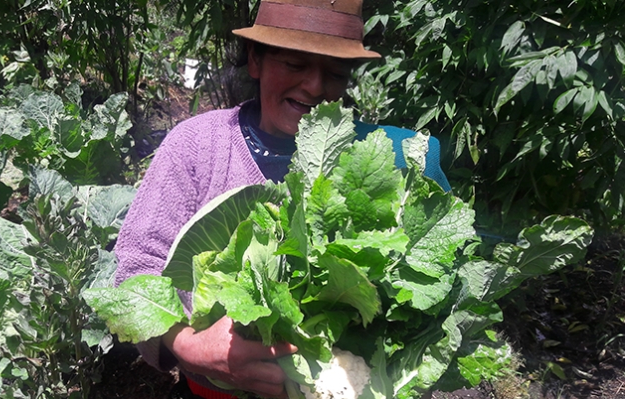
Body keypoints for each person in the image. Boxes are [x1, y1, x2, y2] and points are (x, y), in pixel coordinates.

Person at [113, 0, 450, 398]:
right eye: (295, 64)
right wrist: (187, 345)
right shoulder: (197, 147)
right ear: (255, 60)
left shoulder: (378, 161)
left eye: (336, 73)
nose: (314, 86)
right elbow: (137, 268)